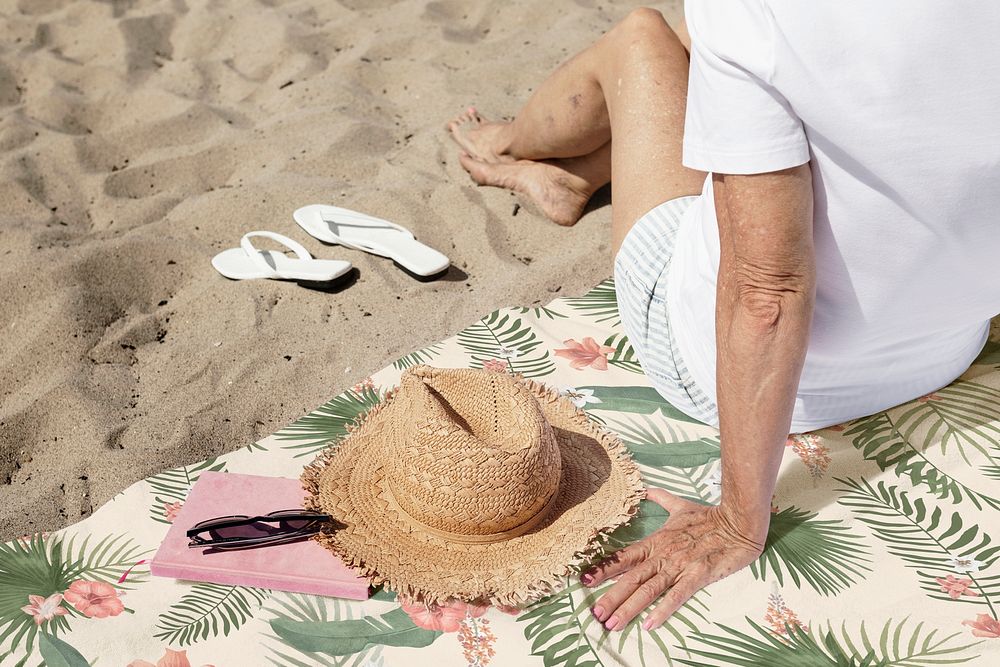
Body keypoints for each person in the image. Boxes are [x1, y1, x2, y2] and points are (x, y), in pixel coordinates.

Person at [445, 3, 1000, 633]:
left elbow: (768, 293)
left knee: (643, 37)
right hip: (942, 347)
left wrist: (739, 521)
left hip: (730, 371)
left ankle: (515, 140)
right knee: (716, 44)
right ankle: (578, 171)